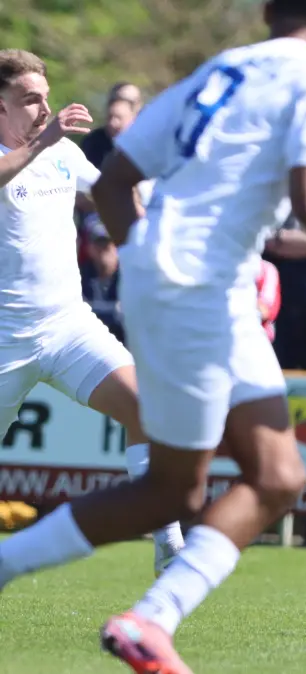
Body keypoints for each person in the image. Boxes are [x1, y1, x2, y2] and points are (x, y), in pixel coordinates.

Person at [0, 3, 306, 672]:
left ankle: (150, 619)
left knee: (274, 477)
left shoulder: (216, 72)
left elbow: (113, 185)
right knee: (180, 489)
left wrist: (148, 267)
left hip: (174, 292)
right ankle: (133, 610)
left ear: (266, 12)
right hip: (187, 290)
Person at [0, 49, 169, 579]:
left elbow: (111, 198)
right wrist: (42, 145)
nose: (44, 109)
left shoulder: (62, 154)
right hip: (5, 338)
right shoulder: (29, 151)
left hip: (67, 327)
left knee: (149, 408)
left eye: (46, 97)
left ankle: (169, 545)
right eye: (30, 99)